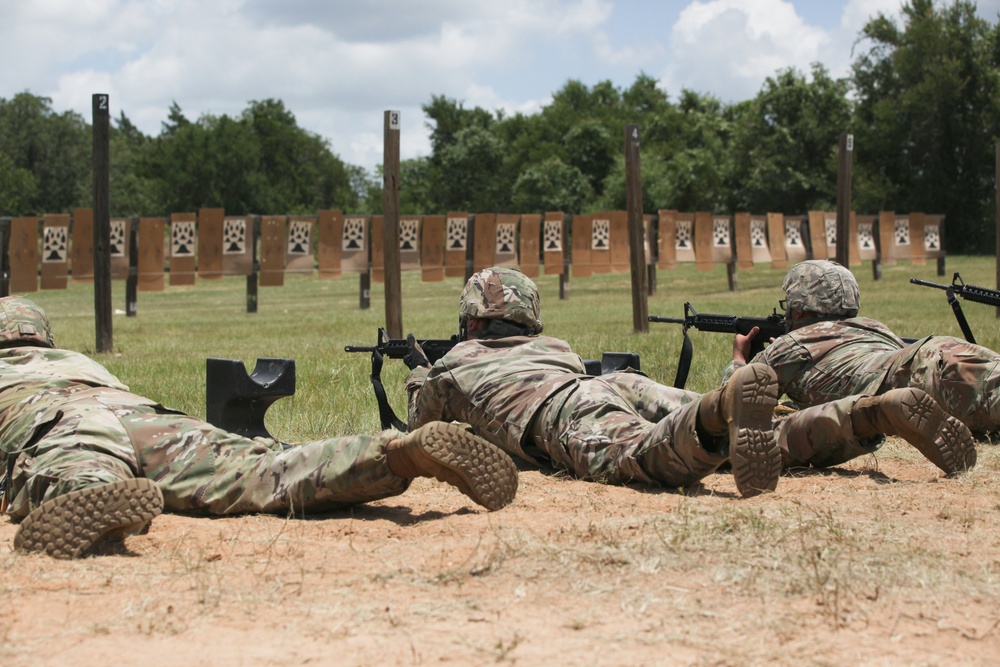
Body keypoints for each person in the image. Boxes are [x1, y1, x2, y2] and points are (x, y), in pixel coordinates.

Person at [0, 296, 518, 560]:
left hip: (51, 415)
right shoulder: (80, 361)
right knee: (258, 468)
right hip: (141, 414)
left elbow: (74, 423)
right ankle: (396, 453)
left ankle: (99, 497)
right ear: (43, 338)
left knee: (79, 458)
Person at [403, 266, 785, 499]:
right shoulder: (556, 347)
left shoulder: (454, 364)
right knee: (699, 408)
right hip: (609, 384)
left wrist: (419, 372)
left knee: (639, 452)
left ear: (471, 321)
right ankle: (739, 401)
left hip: (561, 412)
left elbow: (419, 425)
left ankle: (718, 411)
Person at [726, 259, 979, 474]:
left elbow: (732, 402)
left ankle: (890, 412)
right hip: (941, 352)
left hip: (911, 382)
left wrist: (739, 358)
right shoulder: (876, 327)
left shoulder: (790, 345)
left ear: (800, 310)